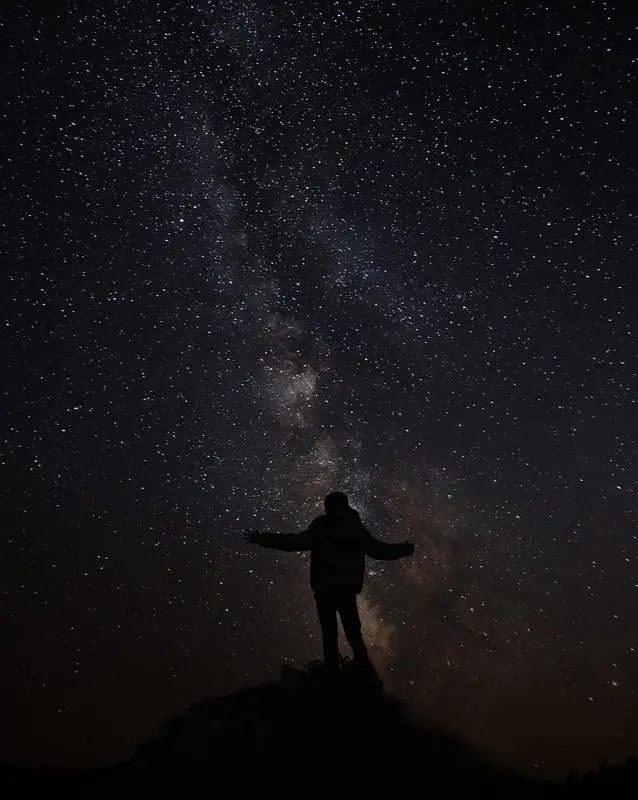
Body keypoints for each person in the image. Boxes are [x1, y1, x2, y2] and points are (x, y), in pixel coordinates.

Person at [244, 491, 415, 675]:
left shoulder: (321, 528)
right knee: (352, 628)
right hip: (345, 588)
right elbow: (380, 550)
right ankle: (362, 665)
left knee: (330, 630)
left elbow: (293, 542)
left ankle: (333, 668)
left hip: (325, 588)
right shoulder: (356, 529)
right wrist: (404, 549)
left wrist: (263, 538)